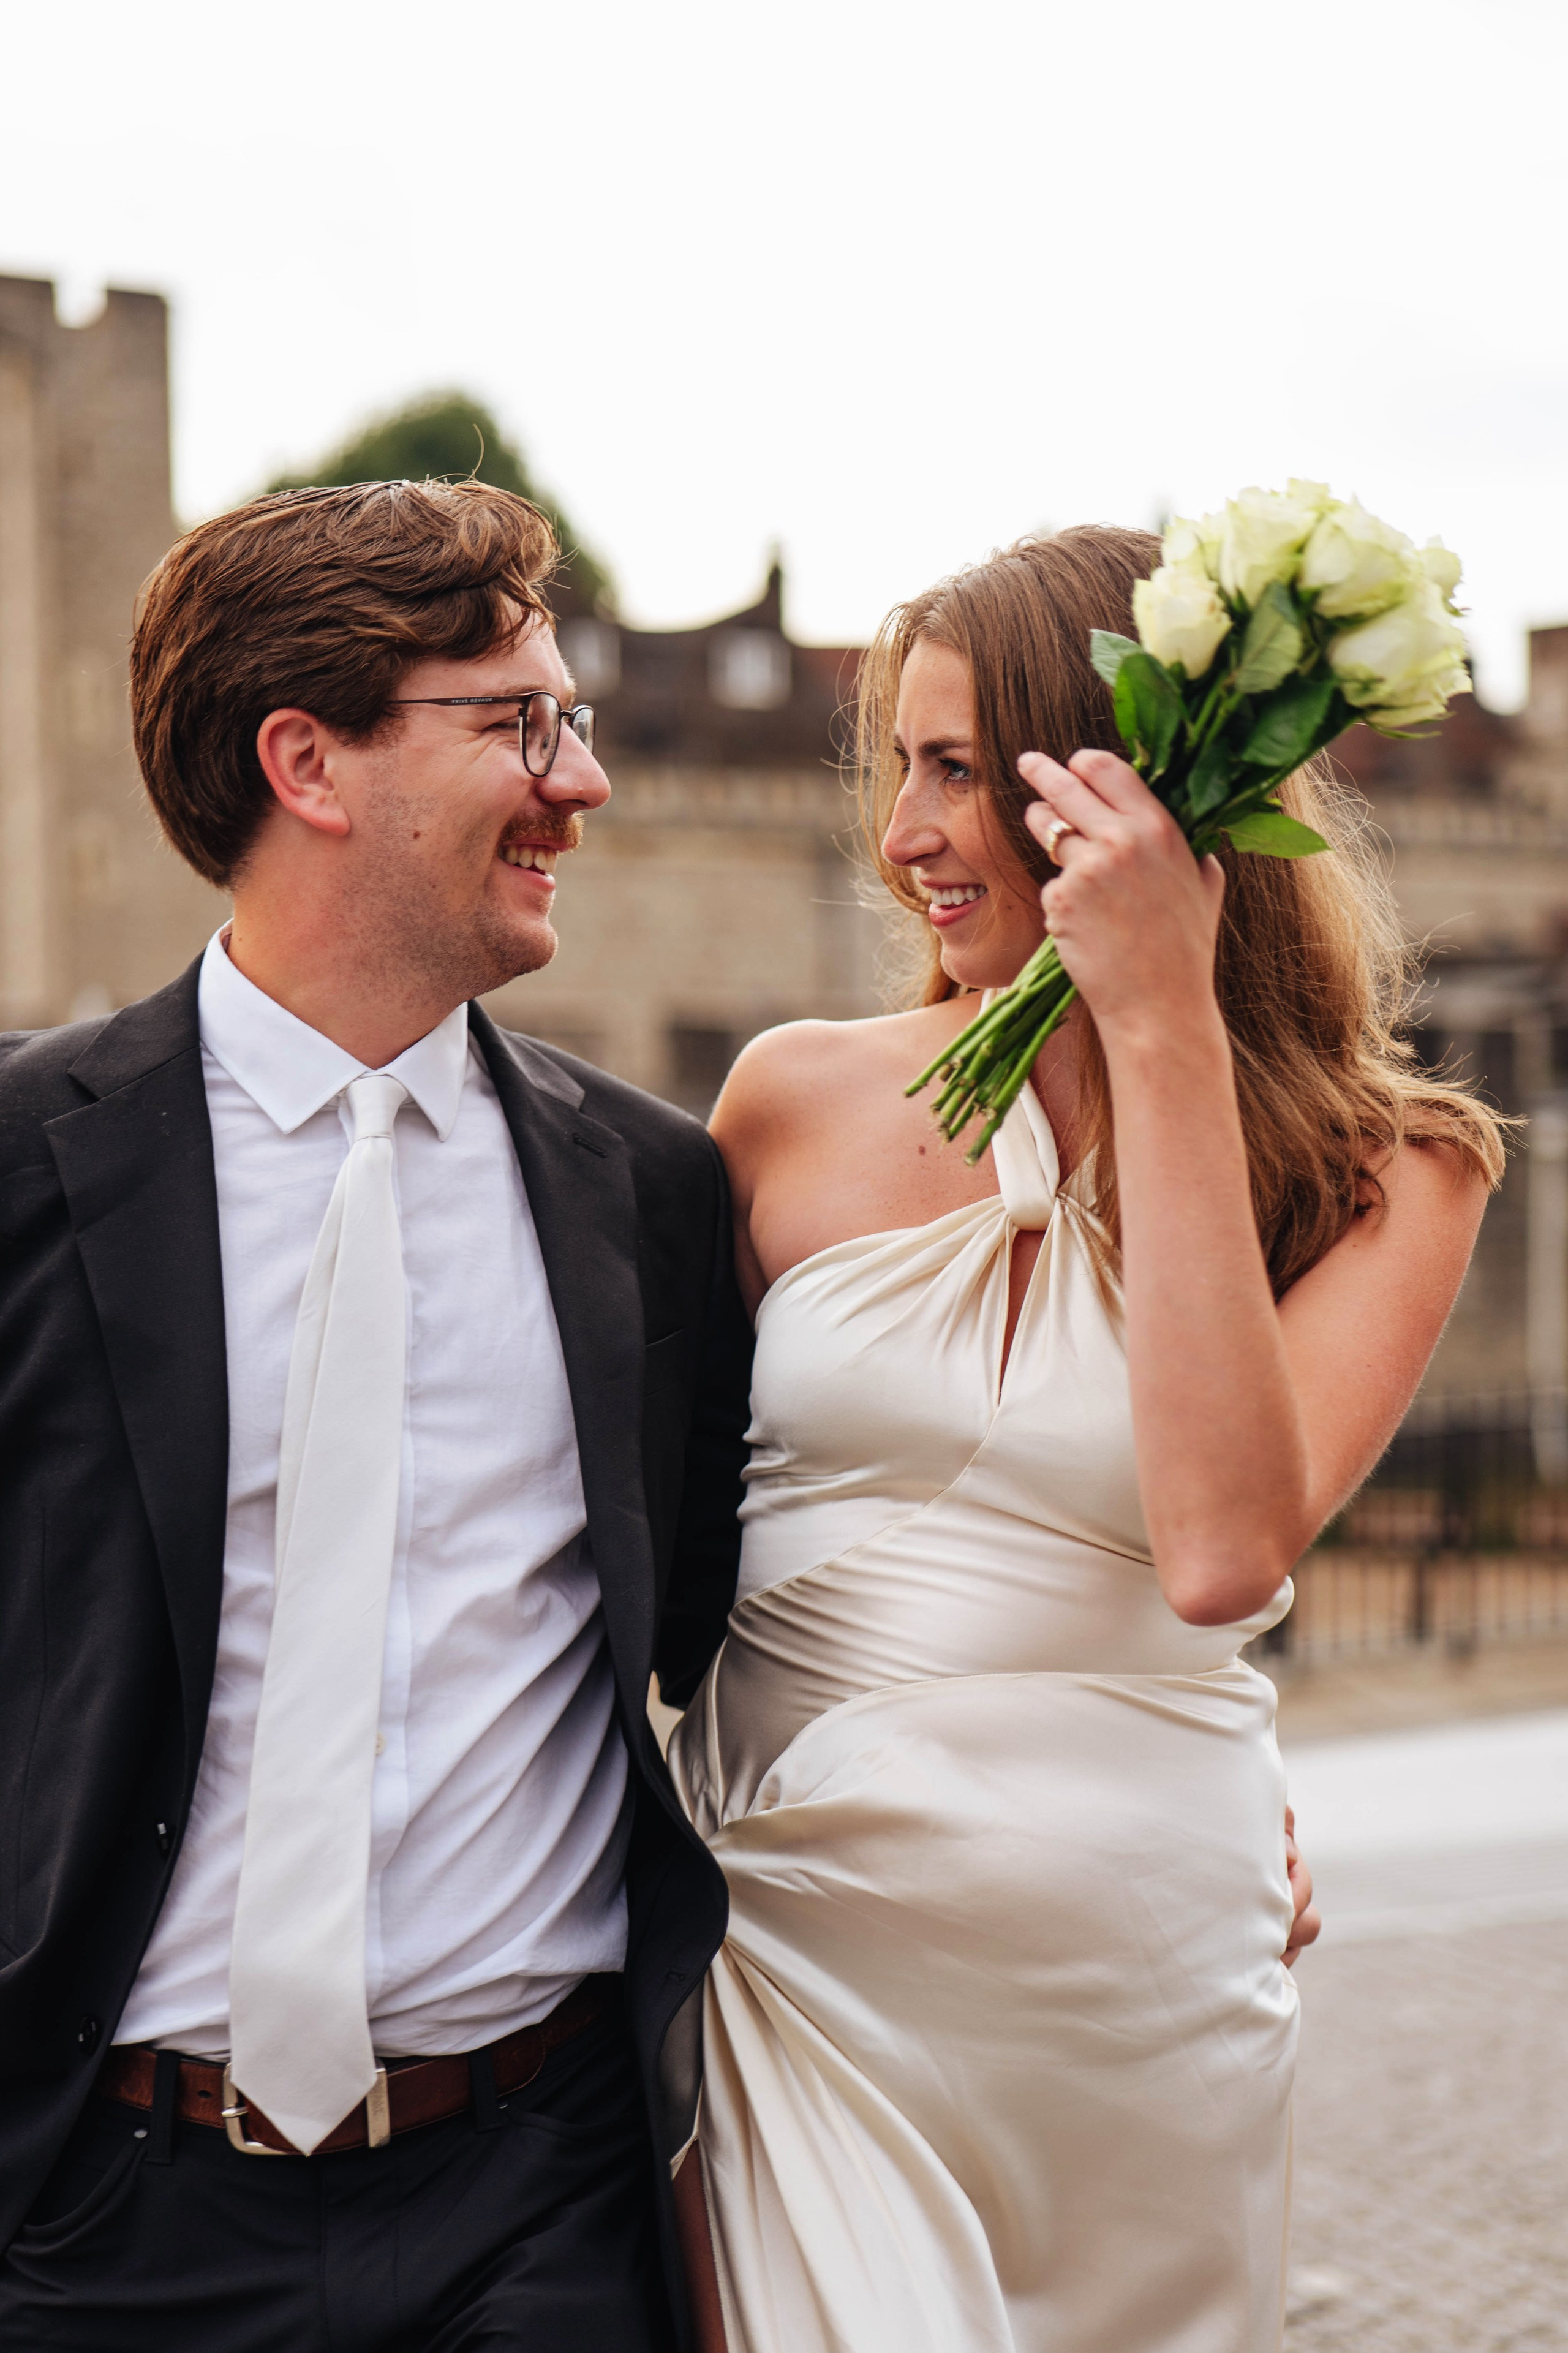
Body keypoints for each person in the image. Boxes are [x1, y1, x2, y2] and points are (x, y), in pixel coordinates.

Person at [669, 526, 1504, 2352]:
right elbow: (649, 1562)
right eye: (899, 764)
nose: (904, 831)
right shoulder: (788, 1103)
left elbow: (1220, 1552)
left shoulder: (1397, 1172)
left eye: (960, 767)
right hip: (797, 1944)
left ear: (1123, 785)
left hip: (1135, 1981)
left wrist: (1162, 1026)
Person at [0, 480, 753, 2351]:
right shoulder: (19, 1169)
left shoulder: (654, 1195)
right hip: (104, 2214)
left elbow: (758, 1639)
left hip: (543, 2199)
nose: (580, 781)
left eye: (568, 719)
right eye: (516, 722)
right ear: (308, 764)